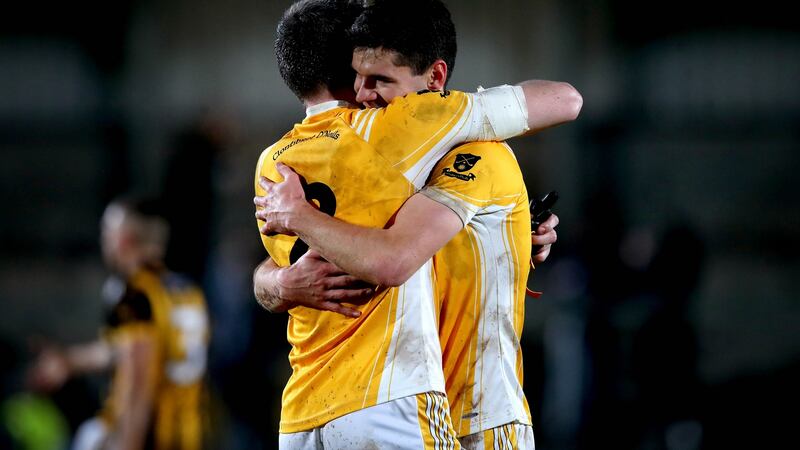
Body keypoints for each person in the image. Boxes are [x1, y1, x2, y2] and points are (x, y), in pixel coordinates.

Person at [254, 1, 580, 449]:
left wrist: (518, 229)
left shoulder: (273, 162)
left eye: (380, 80)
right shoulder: (390, 145)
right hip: (401, 401)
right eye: (360, 78)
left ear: (436, 80)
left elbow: (393, 254)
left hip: (475, 414)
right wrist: (283, 282)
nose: (367, 95)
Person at [28, 197, 210, 450]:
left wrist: (127, 443)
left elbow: (138, 373)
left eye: (107, 231)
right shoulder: (187, 291)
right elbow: (129, 349)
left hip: (148, 435)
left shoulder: (133, 292)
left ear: (123, 240)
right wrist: (70, 361)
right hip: (187, 434)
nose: (103, 238)